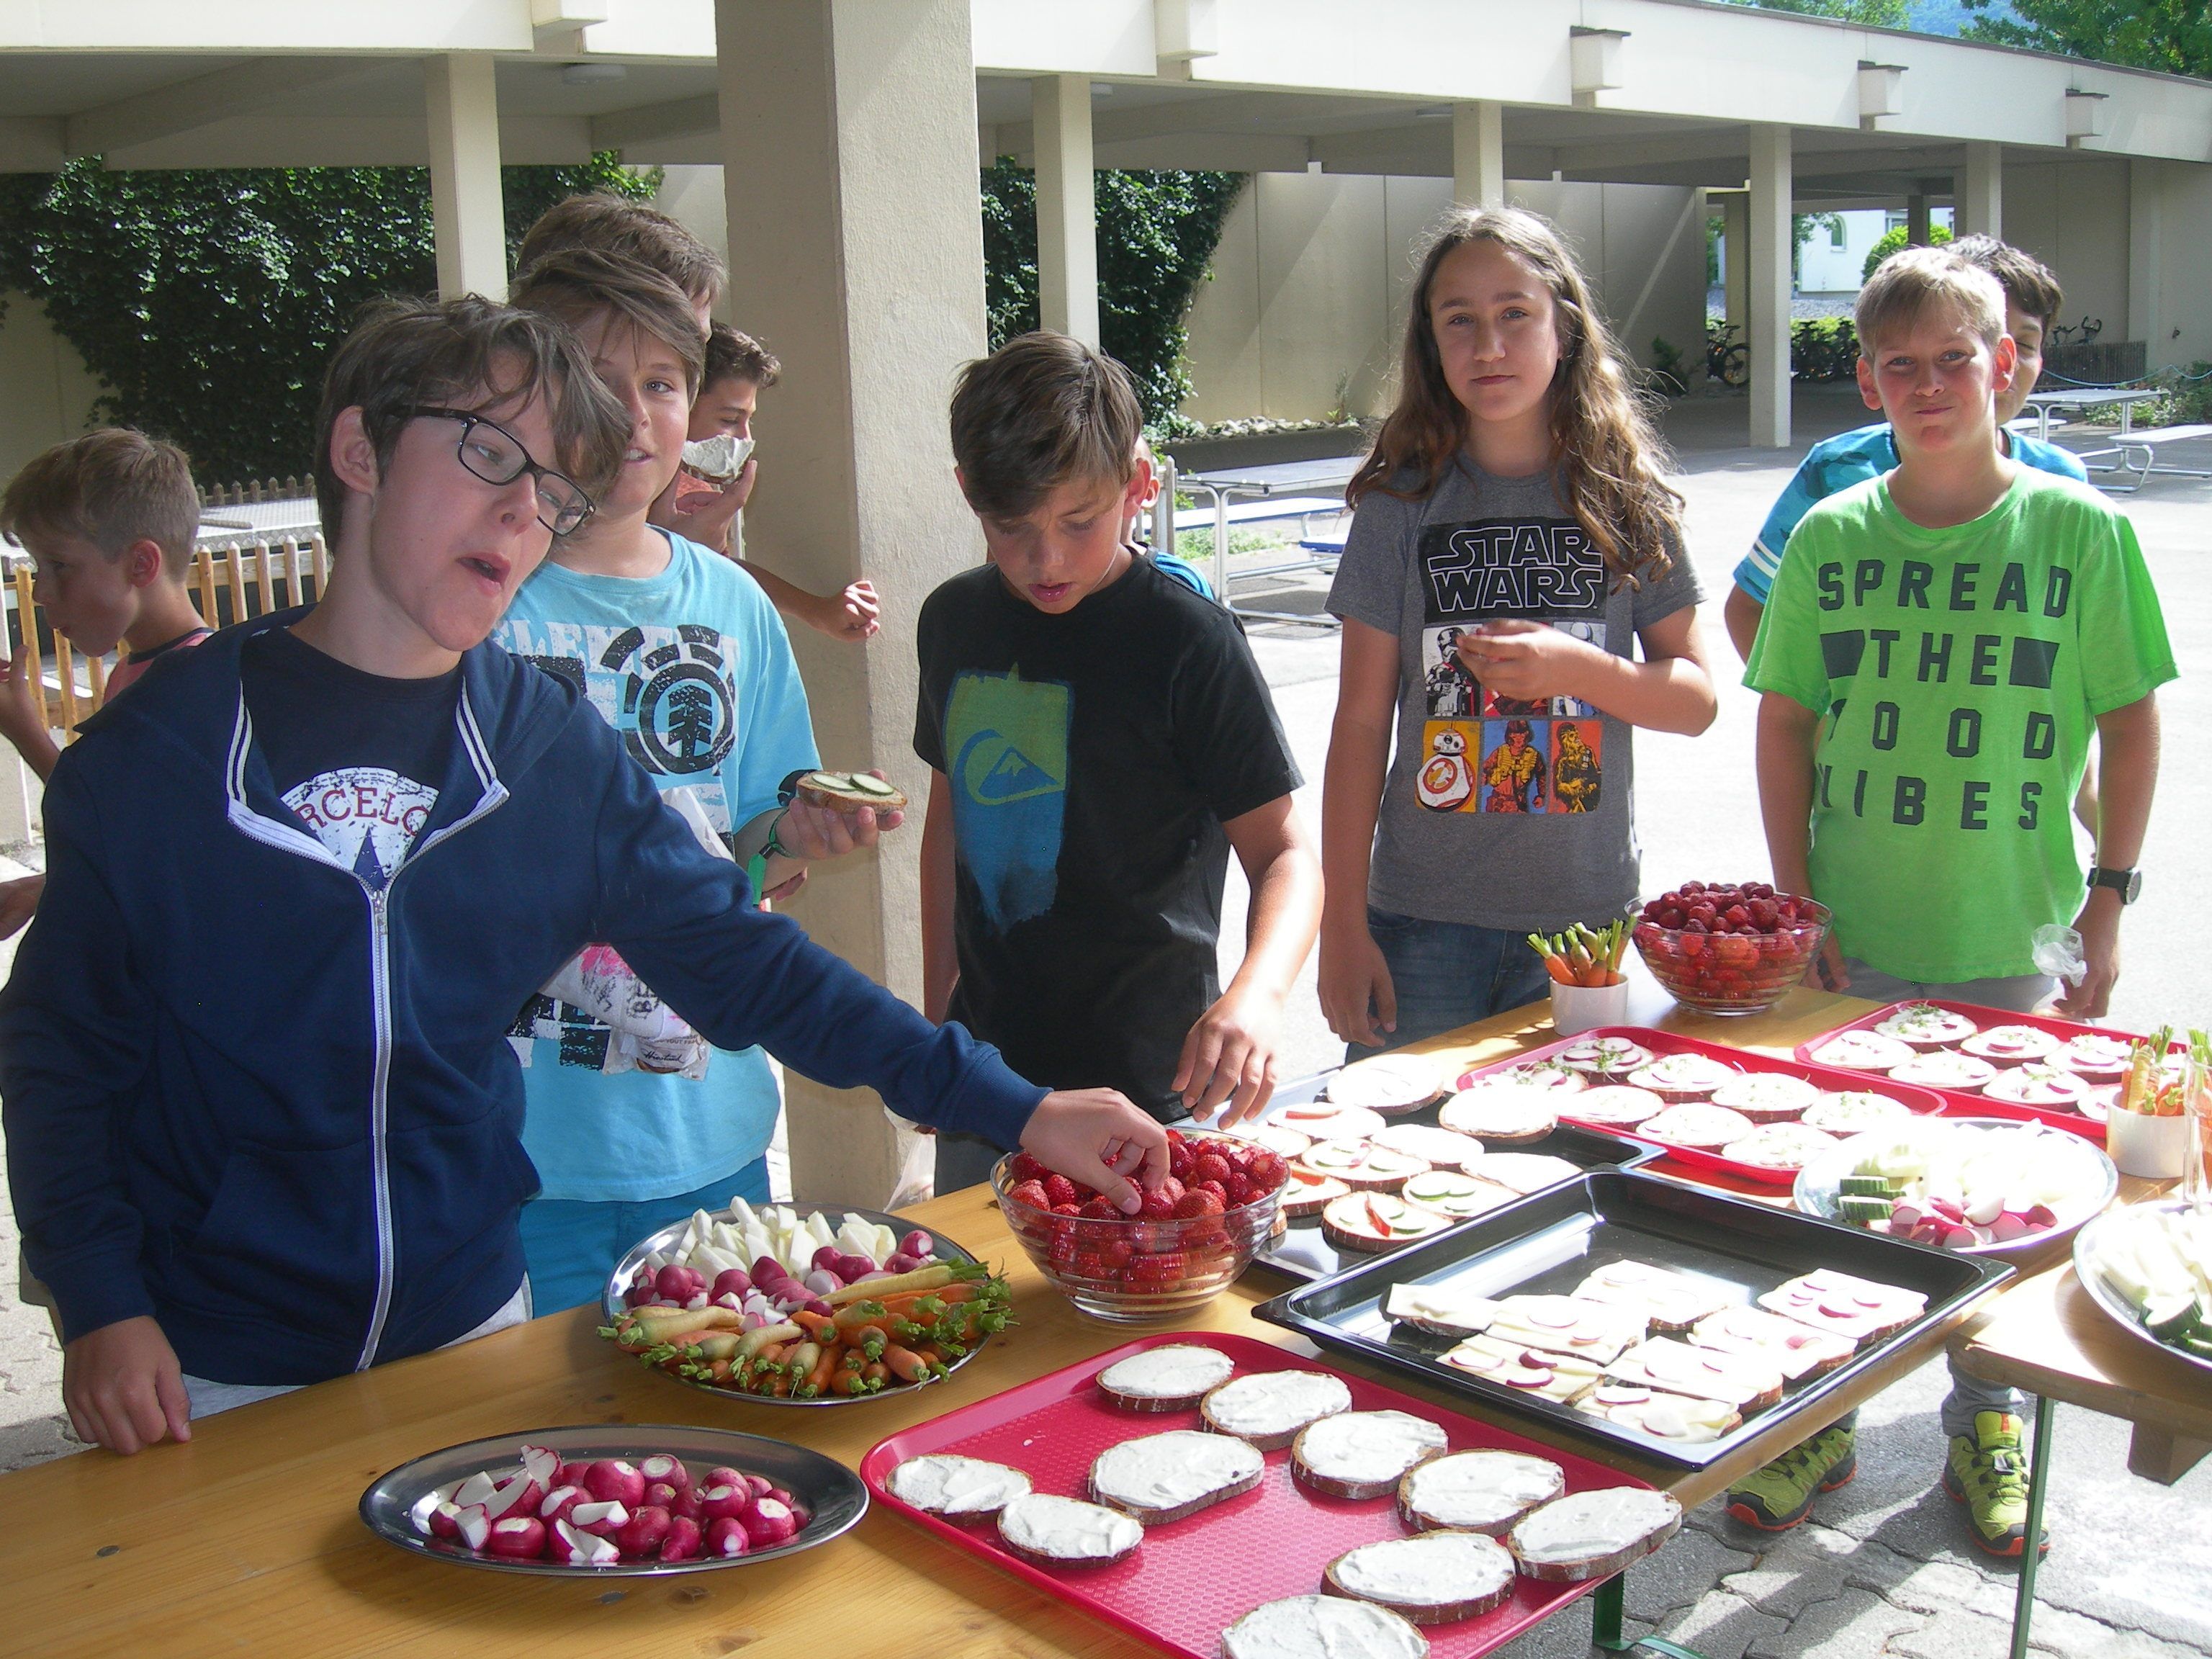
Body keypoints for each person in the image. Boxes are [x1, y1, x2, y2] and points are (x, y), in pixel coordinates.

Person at [0, 295, 1169, 1455]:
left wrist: (1019, 1105)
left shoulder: (547, 751)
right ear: (358, 449)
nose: (523, 514)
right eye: (489, 454)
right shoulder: (159, 755)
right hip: (209, 1361)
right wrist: (100, 1296)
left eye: (552, 492)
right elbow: (61, 1049)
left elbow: (748, 965)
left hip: (469, 1322)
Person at [1739, 247, 2171, 1554]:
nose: (1929, 385)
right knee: (1831, 1181)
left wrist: (2107, 900)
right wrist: (1794, 907)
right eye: (1900, 364)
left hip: (2004, 941)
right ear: (1868, 380)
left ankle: (1986, 1414)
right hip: (1854, 943)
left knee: (1996, 1201)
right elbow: (1783, 728)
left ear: (2007, 365)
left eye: (1955, 358)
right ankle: (1823, 1407)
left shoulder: (2079, 531)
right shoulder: (1831, 532)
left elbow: (2131, 724)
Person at [495, 251, 889, 1310]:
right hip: (517, 1147)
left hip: (709, 1128)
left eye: (663, 383)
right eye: (595, 375)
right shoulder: (481, 599)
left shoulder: (736, 605)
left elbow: (747, 847)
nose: (634, 415)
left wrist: (798, 833)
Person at [917, 331, 1323, 1195]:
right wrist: (936, 1017)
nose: (1045, 560)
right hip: (992, 1083)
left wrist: (1256, 996)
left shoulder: (1189, 640)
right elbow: (949, 820)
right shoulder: (952, 620)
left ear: (1138, 487)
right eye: (1011, 526)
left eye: (1079, 522)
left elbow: (1286, 853)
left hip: (1153, 1086)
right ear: (968, 495)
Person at [1319, 205, 1715, 1055]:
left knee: (1562, 1165)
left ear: (1565, 330)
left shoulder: (1624, 497)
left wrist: (1578, 667)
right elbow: (1358, 724)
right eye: (1457, 321)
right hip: (1419, 921)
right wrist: (1342, 926)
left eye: (1514, 314)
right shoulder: (1398, 506)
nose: (1487, 346)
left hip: (1583, 923)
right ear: (1430, 344)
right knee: (1395, 1169)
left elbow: (1695, 701)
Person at [1722, 235, 2085, 662]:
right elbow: (1751, 607)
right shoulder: (1839, 471)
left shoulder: (2064, 484)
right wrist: (1816, 716)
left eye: (2025, 344)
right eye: (1909, 358)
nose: (1934, 380)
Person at [0, 429, 214, 938]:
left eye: (59, 566)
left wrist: (24, 728)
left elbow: (165, 862)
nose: (40, 592)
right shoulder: (138, 670)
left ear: (141, 564)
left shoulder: (194, 688)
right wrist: (48, 886)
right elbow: (125, 829)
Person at [656, 321, 884, 644]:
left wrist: (817, 611)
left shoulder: (700, 488)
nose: (745, 438)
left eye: (749, 420)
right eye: (730, 420)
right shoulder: (631, 489)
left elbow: (726, 573)